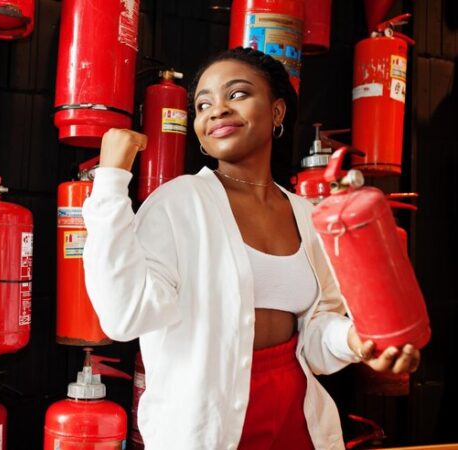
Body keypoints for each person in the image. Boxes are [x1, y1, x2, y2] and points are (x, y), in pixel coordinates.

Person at [81, 47, 421, 450]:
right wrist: (111, 181)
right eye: (203, 104)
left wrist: (356, 341)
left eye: (237, 94)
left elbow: (315, 334)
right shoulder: (179, 203)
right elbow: (124, 315)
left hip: (298, 426)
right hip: (205, 431)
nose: (216, 110)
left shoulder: (307, 215)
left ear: (277, 113)